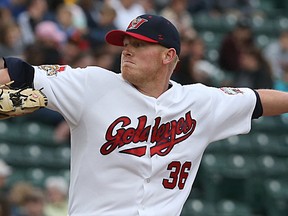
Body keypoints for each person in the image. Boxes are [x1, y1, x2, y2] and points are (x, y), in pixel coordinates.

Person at [0, 14, 288, 216]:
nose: (127, 51)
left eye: (139, 45)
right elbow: (17, 70)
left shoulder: (200, 102)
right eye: (126, 44)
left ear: (168, 56)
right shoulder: (92, 84)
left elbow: (259, 100)